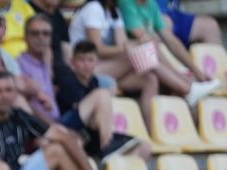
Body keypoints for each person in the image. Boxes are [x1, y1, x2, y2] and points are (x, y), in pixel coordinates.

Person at [18, 15, 140, 158]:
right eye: (35, 33)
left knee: (141, 147)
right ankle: (106, 146)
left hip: (62, 121)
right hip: (47, 128)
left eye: (46, 34)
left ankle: (107, 150)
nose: (41, 37)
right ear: (25, 37)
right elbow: (25, 105)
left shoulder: (47, 60)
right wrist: (51, 126)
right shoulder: (19, 64)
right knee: (101, 94)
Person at [70, 0, 217, 111]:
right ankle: (187, 88)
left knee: (150, 79)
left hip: (110, 68)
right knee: (142, 50)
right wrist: (130, 47)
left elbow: (121, 44)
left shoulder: (114, 11)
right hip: (87, 69)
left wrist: (129, 47)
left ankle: (149, 132)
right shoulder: (94, 8)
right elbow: (97, 50)